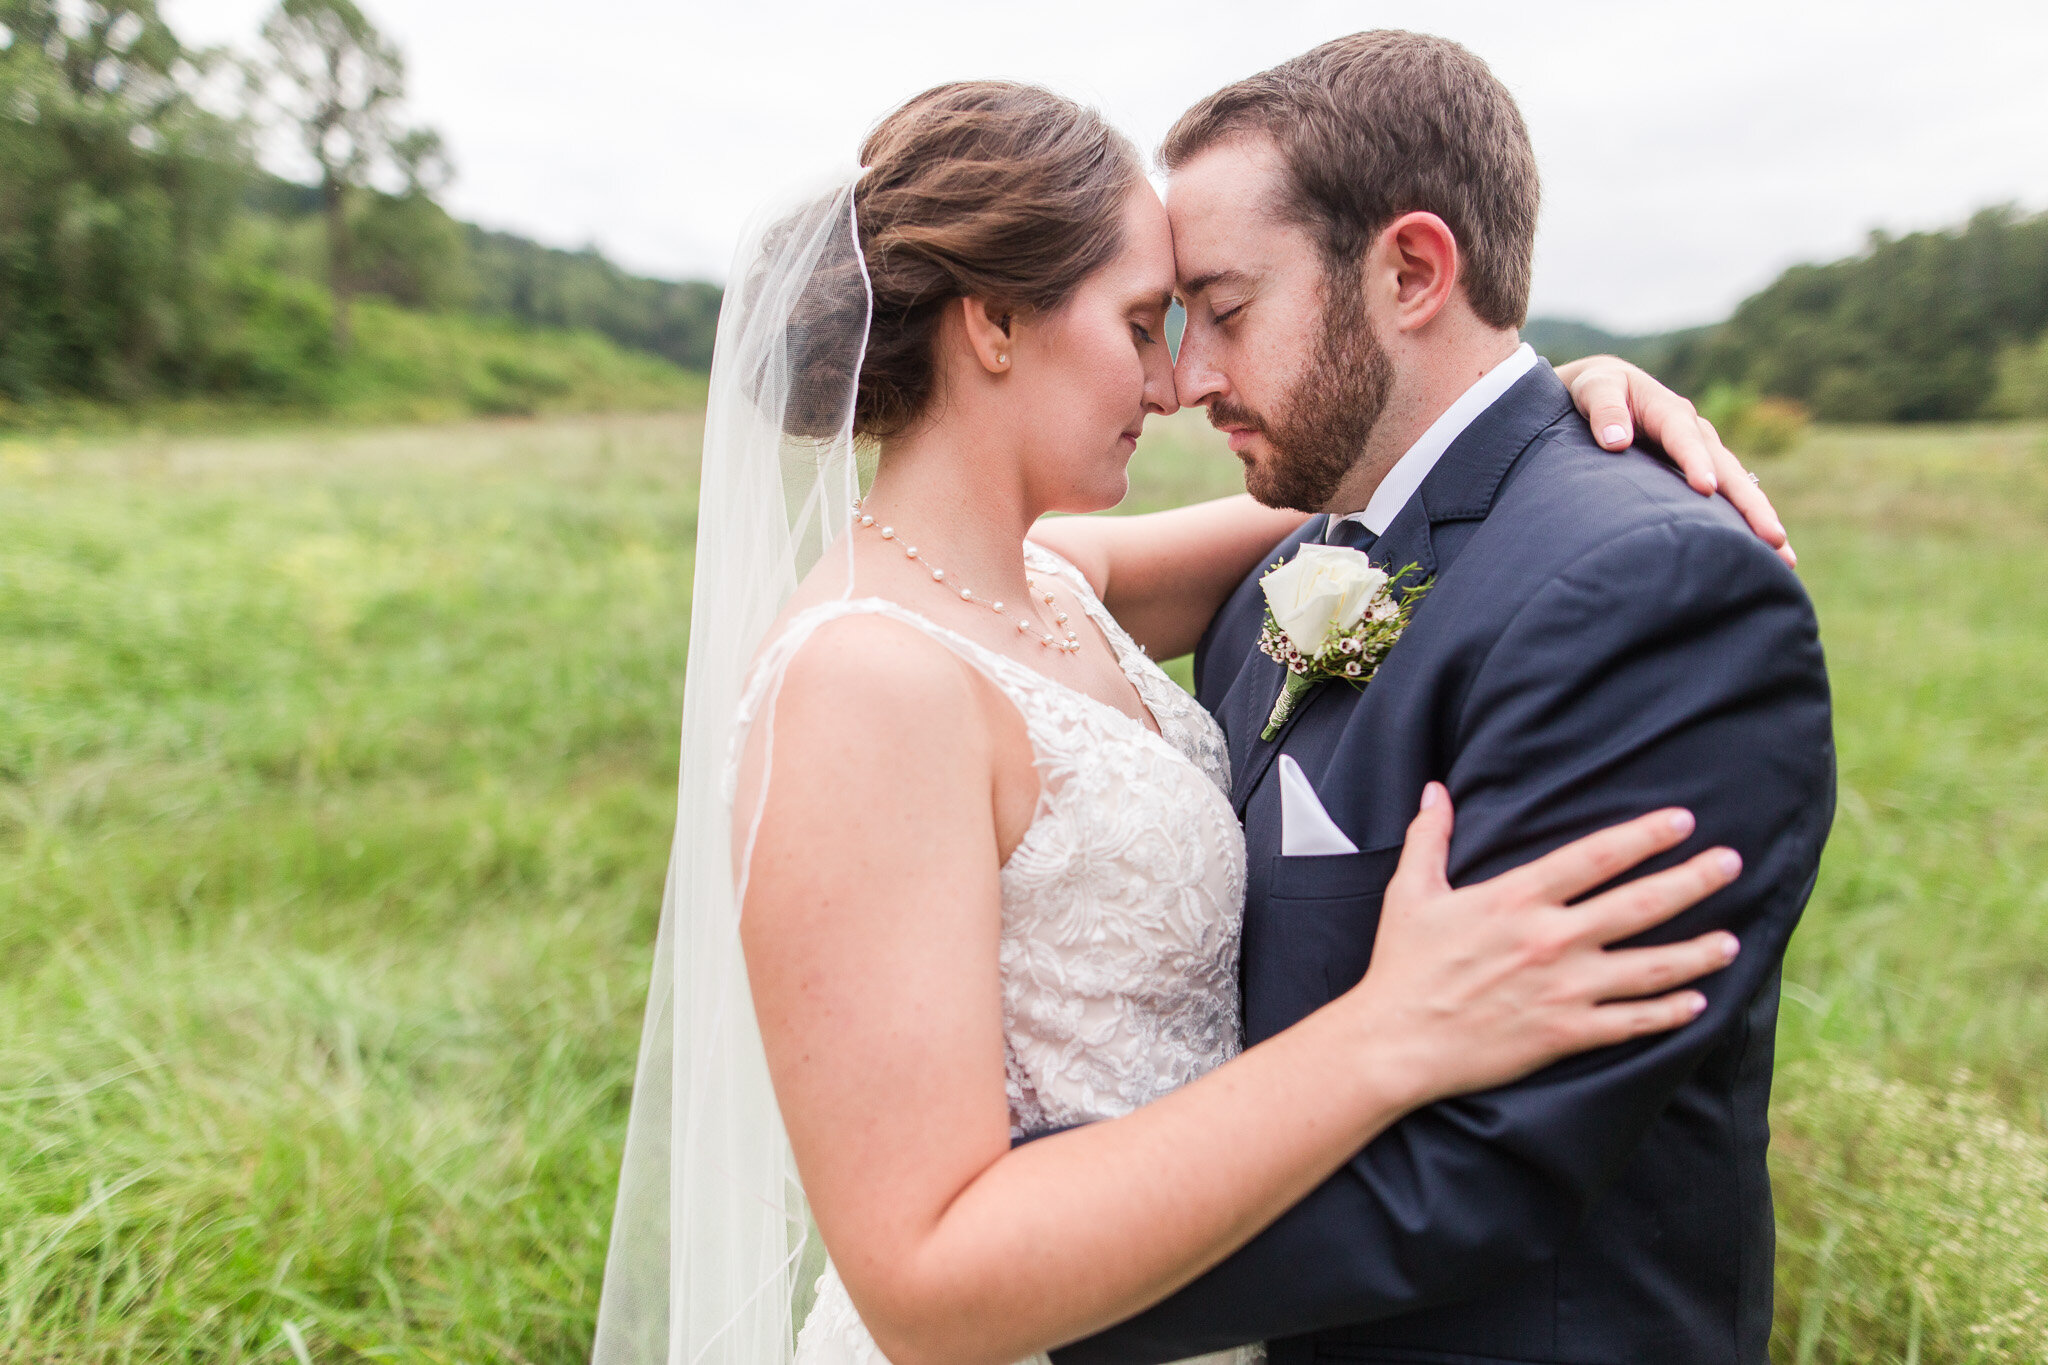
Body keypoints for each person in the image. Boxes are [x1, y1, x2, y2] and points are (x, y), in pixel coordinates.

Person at [590, 71, 1807, 1365]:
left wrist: (1557, 401)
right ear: (994, 324)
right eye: (1146, 320)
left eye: (1210, 312)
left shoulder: (1049, 580)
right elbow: (924, 1274)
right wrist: (1384, 1034)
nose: (1177, 380)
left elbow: (1405, 481)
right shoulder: (865, 676)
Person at [1032, 33, 1834, 1365]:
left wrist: (1008, 1266)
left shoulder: (1653, 587)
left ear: (1411, 270)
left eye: (1225, 309)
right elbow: (961, 583)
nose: (1190, 379)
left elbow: (1493, 1162)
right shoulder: (1300, 558)